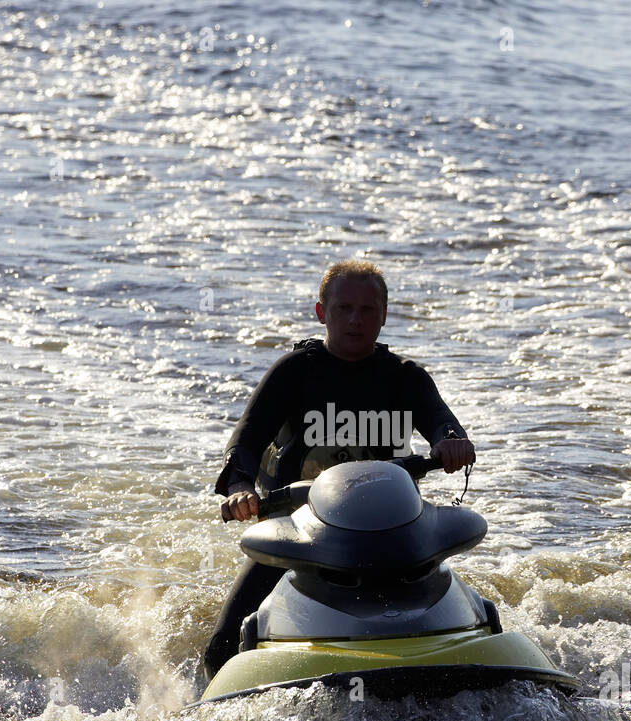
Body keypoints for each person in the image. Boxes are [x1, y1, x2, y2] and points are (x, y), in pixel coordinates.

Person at [204, 259, 476, 680]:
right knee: (221, 646)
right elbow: (246, 439)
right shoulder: (293, 372)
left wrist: (451, 440)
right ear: (321, 313)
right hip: (300, 535)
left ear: (384, 315)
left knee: (475, 608)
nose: (355, 320)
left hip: (390, 533)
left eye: (368, 310)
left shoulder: (404, 377)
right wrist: (240, 485)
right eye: (343, 308)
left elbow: (441, 420)